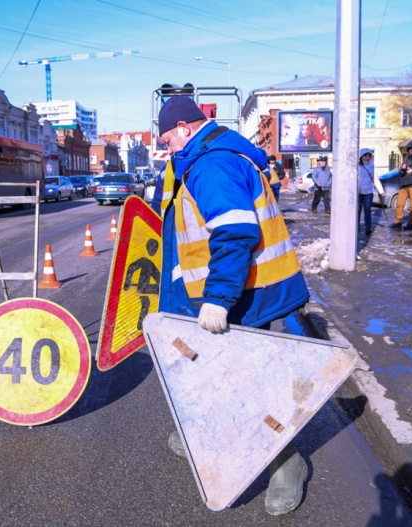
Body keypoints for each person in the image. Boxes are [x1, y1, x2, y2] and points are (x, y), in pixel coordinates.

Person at [156, 95, 310, 516]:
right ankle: (208, 435)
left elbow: (235, 233)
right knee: (211, 371)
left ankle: (287, 462)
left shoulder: (213, 164)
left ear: (185, 128)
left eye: (168, 140)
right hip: (239, 290)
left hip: (242, 296)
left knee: (248, 382)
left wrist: (218, 299)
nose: (167, 148)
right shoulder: (204, 158)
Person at [357, 148, 383, 235]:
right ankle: (356, 227)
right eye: (365, 155)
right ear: (361, 156)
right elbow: (353, 179)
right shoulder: (357, 166)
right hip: (358, 192)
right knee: (357, 211)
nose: (367, 157)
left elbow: (375, 178)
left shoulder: (372, 165)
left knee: (367, 210)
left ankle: (368, 228)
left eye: (369, 155)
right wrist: (356, 188)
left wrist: (381, 190)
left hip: (368, 192)